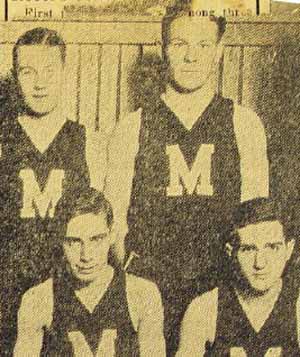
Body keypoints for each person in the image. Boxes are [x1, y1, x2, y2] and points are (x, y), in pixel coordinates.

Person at [105, 4, 269, 353]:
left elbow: (258, 223)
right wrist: (136, 285)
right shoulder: (131, 126)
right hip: (151, 290)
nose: (192, 57)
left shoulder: (244, 123)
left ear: (220, 52)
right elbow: (114, 223)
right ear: (164, 48)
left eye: (203, 45)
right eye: (180, 44)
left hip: (221, 288)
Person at [0, 27, 92, 353]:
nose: (39, 82)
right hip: (7, 290)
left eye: (49, 71)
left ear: (65, 73)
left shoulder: (88, 141)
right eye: (28, 71)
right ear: (14, 76)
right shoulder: (3, 139)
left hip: (68, 288)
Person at [14, 188, 165, 357]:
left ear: (112, 236)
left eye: (96, 240)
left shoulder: (142, 294)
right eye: (74, 242)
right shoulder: (38, 299)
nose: (86, 256)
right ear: (60, 241)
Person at [176, 198, 299, 356]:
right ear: (231, 252)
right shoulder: (205, 308)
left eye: (272, 248)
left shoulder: (297, 305)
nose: (260, 263)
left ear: (289, 250)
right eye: (248, 249)